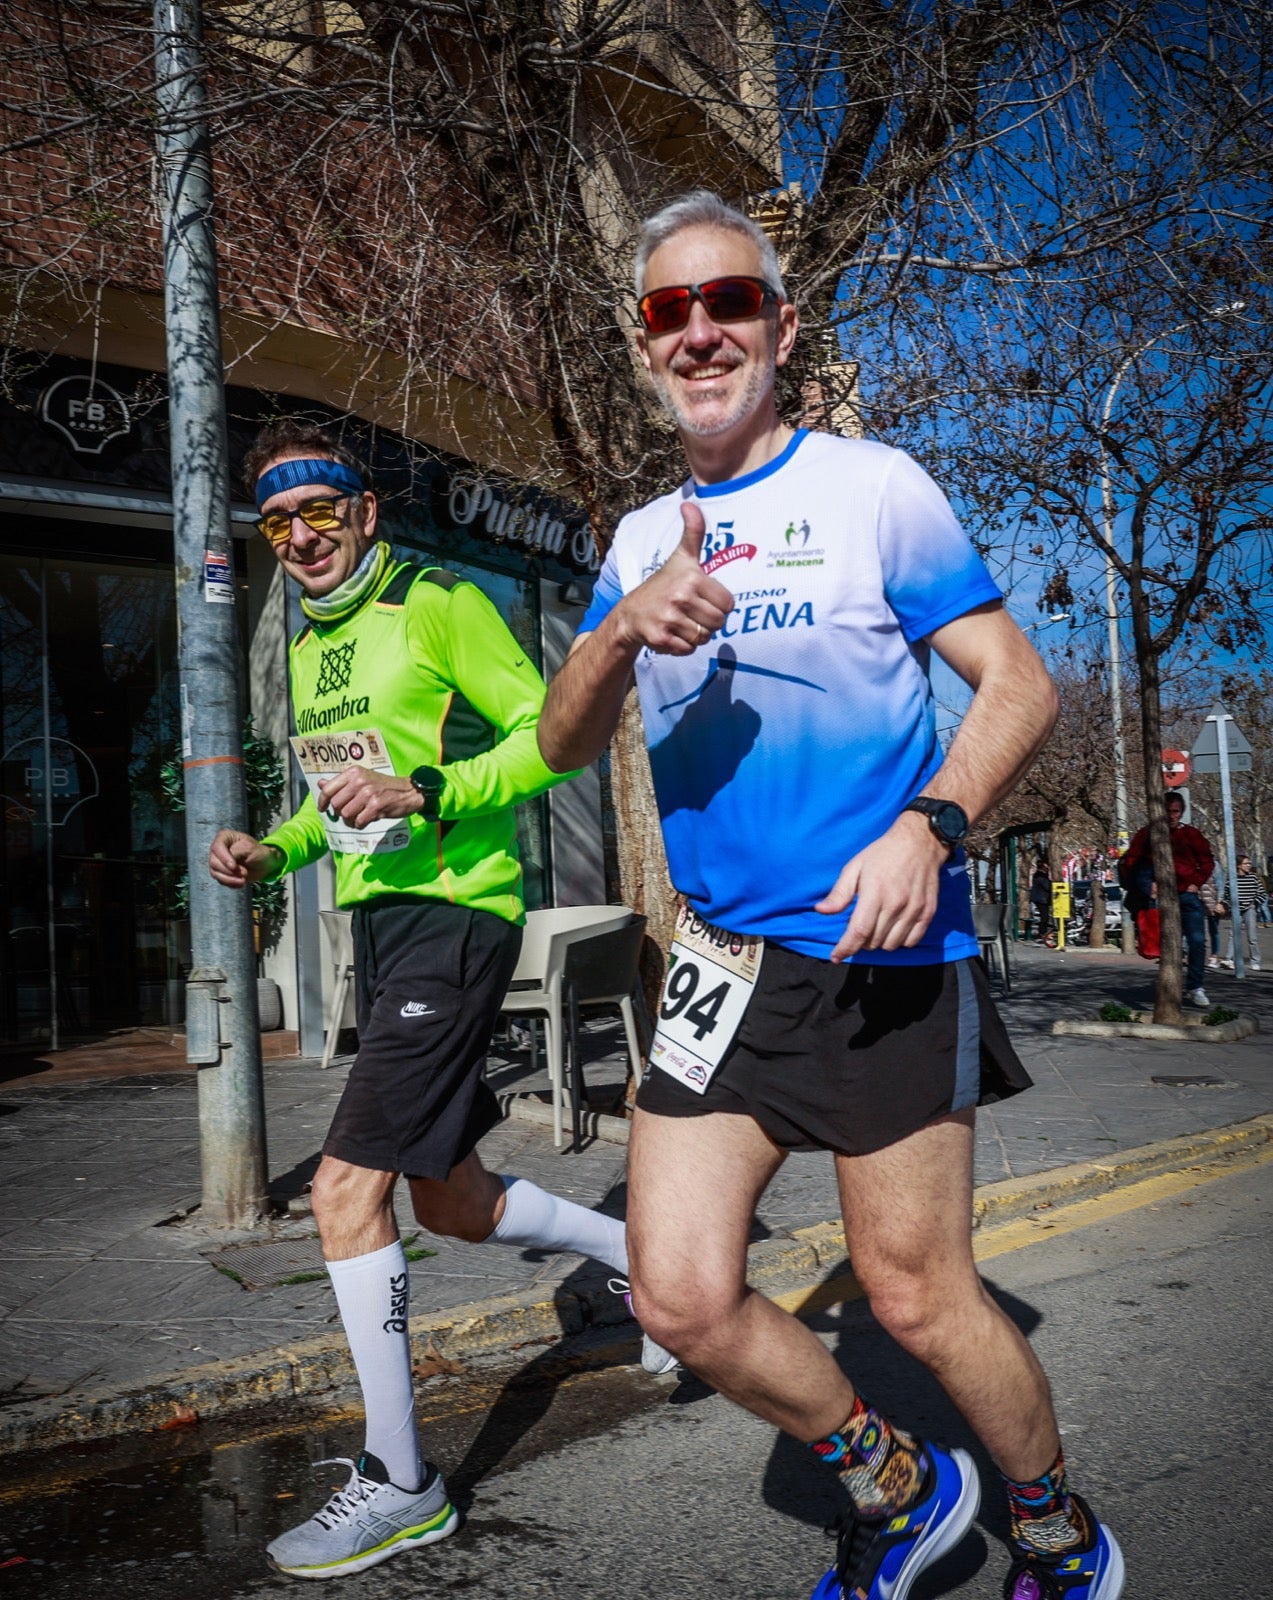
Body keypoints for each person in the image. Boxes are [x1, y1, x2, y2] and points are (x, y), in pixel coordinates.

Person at [536, 191, 1124, 1600]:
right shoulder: (639, 537)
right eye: (668, 310)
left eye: (727, 300)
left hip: (881, 954)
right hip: (719, 965)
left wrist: (932, 825)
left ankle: (1058, 1532)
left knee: (913, 1292)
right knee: (678, 1296)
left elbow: (1018, 683)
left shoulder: (873, 488)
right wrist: (617, 632)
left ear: (781, 328)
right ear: (644, 343)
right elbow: (558, 744)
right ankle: (901, 1485)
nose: (699, 331)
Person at [209, 420, 669, 1582]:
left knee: (343, 1192)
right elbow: (332, 800)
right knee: (453, 1200)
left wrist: (427, 788)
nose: (301, 537)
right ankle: (652, 1267)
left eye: (320, 511)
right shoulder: (312, 643)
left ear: (363, 510)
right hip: (383, 928)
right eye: (278, 522)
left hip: (457, 918)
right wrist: (274, 847)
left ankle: (403, 1483)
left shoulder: (440, 603)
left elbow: (553, 739)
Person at [1121, 794, 1215, 1006]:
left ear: (1181, 813)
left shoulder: (1191, 834)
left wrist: (1196, 882)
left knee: (1197, 942)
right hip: (1159, 898)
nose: (1171, 816)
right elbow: (1131, 862)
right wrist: (1147, 886)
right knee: (1166, 945)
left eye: (1175, 811)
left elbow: (1207, 861)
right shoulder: (1146, 835)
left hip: (1187, 895)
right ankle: (1169, 986)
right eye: (1168, 811)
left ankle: (1195, 986)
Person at [1219, 855, 1263, 971]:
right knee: (1233, 934)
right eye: (1246, 863)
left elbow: (1262, 893)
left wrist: (1255, 903)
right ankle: (1229, 959)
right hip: (1236, 909)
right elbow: (1226, 896)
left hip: (1249, 909)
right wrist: (1224, 904)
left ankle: (1255, 961)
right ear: (1239, 865)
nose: (1249, 865)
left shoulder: (1253, 877)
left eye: (1249, 863)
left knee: (1252, 937)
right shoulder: (1232, 878)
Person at [1028, 858, 1053, 943]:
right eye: (1046, 866)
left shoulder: (1039, 875)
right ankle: (1042, 933)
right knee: (1044, 917)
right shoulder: (1041, 876)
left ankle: (1043, 932)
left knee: (1045, 916)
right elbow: (1047, 886)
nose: (1047, 868)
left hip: (1041, 899)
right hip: (1042, 899)